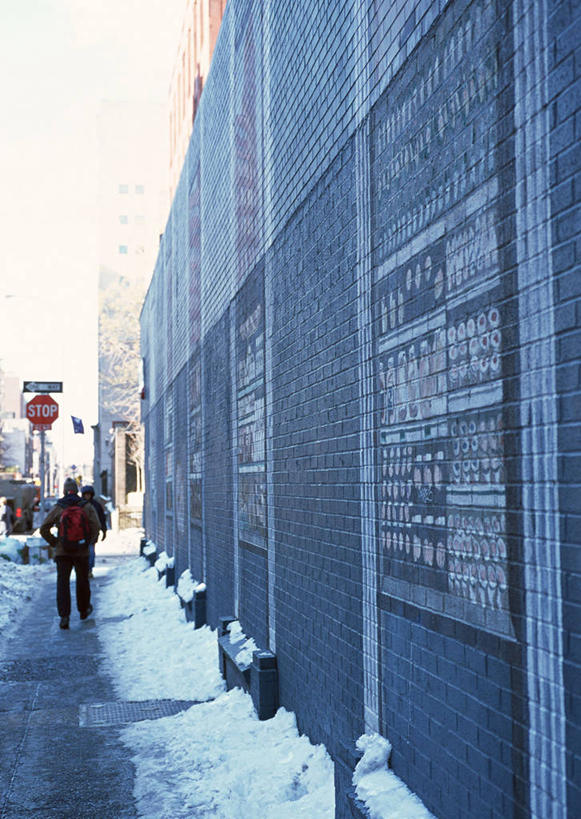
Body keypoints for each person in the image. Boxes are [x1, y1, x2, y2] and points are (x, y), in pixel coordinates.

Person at [40, 477, 100, 630]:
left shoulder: (59, 507)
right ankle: (84, 610)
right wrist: (88, 543)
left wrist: (55, 542)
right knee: (82, 581)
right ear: (77, 490)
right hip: (81, 552)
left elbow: (44, 528)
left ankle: (64, 616)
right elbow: (96, 526)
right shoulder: (85, 506)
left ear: (64, 490)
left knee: (63, 584)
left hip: (63, 552)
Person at [80, 484, 107, 577]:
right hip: (82, 533)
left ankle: (89, 570)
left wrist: (104, 531)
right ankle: (85, 569)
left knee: (91, 552)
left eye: (89, 494)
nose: (87, 496)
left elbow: (102, 519)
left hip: (92, 533)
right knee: (85, 553)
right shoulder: (81, 505)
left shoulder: (95, 505)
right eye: (86, 494)